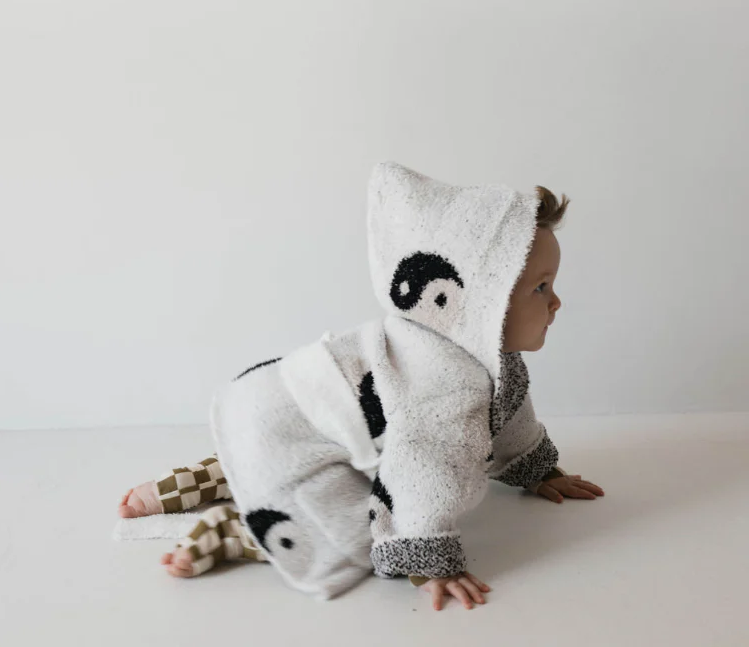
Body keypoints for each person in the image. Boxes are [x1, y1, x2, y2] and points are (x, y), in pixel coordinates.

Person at [119, 162, 603, 610]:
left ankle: (203, 478)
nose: (556, 302)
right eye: (541, 287)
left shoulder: (458, 349)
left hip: (276, 405)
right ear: (480, 299)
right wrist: (427, 558)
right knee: (360, 530)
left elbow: (510, 416)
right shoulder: (449, 383)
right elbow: (425, 474)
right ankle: (233, 530)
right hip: (287, 426)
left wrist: (536, 468)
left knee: (271, 452)